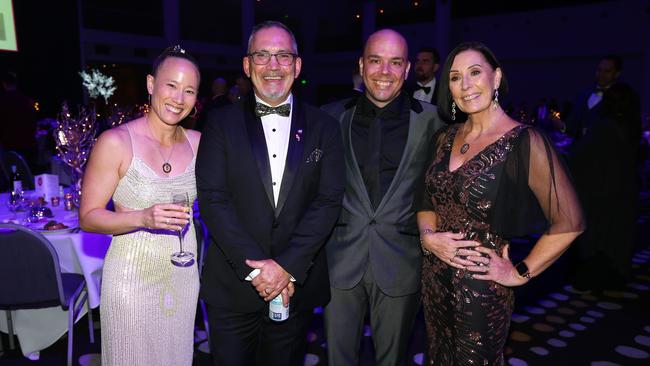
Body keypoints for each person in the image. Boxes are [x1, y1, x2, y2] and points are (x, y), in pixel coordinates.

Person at [416, 41, 584, 365]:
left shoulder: (524, 141)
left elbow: (570, 222)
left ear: (496, 78)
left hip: (481, 291)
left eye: (475, 72)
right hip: (433, 280)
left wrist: (519, 273)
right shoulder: (444, 138)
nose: (465, 85)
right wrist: (428, 238)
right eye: (455, 77)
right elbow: (425, 201)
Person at [196, 21, 344, 366]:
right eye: (262, 55)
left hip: (296, 286)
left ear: (297, 65)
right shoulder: (220, 122)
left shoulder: (325, 127)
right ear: (247, 66)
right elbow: (214, 199)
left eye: (283, 56)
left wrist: (286, 268)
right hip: (234, 286)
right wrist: (260, 272)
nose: (273, 65)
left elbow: (327, 202)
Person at [322, 29, 444, 366]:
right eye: (375, 61)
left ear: (406, 70)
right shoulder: (330, 118)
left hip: (401, 262)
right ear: (362, 65)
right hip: (340, 262)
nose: (384, 72)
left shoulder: (435, 121)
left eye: (395, 63)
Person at [79, 45, 201, 366]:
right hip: (131, 281)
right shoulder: (116, 142)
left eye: (189, 90)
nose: (179, 98)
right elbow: (89, 218)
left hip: (182, 278)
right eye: (171, 86)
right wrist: (143, 217)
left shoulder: (200, 144)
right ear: (151, 85)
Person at [569, 82, 642, 291]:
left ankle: (594, 278)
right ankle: (611, 277)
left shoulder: (604, 127)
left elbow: (578, 160)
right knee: (616, 239)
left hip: (600, 193)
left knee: (597, 239)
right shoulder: (630, 126)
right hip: (623, 193)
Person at [559, 55, 622, 141]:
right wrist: (562, 126)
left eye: (607, 71)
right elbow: (571, 127)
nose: (601, 74)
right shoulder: (583, 95)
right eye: (599, 70)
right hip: (579, 150)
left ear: (617, 74)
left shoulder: (619, 98)